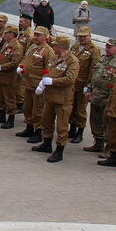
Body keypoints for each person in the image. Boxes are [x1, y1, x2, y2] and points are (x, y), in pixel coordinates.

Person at [32, 35, 79, 163]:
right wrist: (43, 82)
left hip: (63, 99)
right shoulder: (54, 58)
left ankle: (59, 150)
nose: (53, 47)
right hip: (50, 96)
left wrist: (52, 81)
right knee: (46, 121)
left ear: (61, 46)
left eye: (55, 45)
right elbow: (48, 71)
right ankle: (46, 143)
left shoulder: (72, 61)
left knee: (62, 127)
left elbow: (70, 79)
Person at [84, 38, 116, 154]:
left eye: (109, 47)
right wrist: (89, 89)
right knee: (95, 121)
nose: (106, 48)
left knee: (108, 124)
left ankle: (109, 148)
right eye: (106, 46)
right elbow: (95, 75)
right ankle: (98, 143)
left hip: (108, 98)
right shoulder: (103, 58)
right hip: (96, 95)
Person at [16, 26, 54, 143]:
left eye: (39, 35)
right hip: (27, 83)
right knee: (27, 107)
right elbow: (25, 59)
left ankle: (38, 132)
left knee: (37, 110)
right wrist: (21, 66)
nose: (36, 37)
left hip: (37, 85)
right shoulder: (32, 47)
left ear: (45, 37)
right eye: (35, 35)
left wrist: (42, 84)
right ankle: (29, 127)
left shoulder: (48, 51)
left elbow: (48, 69)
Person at [0, 25, 25, 129]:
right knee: (0, 96)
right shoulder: (7, 44)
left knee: (9, 98)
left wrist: (1, 67)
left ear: (11, 34)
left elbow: (14, 62)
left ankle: (10, 119)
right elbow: (2, 56)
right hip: (2, 76)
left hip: (9, 77)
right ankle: (1, 115)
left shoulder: (17, 46)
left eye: (6, 33)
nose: (4, 35)